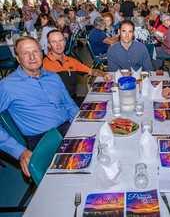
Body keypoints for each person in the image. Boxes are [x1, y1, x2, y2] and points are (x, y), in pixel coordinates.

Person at [0, 36, 79, 177]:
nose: (32, 57)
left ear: (42, 53)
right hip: (43, 140)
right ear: (18, 58)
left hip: (68, 128)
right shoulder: (7, 86)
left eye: (35, 51)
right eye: (25, 53)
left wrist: (80, 121)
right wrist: (19, 151)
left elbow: (69, 104)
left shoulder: (53, 77)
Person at [43, 30, 110, 100]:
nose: (58, 45)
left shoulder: (71, 61)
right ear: (49, 45)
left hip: (72, 100)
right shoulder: (45, 65)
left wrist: (104, 74)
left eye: (61, 40)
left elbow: (91, 71)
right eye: (54, 42)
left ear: (65, 42)